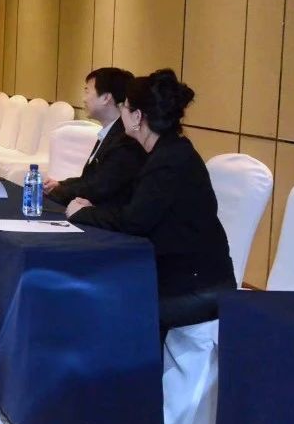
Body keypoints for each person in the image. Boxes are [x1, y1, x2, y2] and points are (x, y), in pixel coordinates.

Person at [66, 69, 235, 332]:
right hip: (174, 274)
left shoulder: (169, 161)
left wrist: (82, 213)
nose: (121, 113)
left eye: (125, 107)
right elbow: (135, 209)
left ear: (137, 117)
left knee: (109, 304)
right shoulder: (163, 152)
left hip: (197, 286)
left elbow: (134, 221)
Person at [45, 67, 146, 209]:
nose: (84, 99)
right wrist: (60, 184)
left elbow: (98, 188)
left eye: (87, 91)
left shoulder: (125, 140)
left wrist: (57, 192)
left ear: (106, 98)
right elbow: (90, 180)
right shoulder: (111, 132)